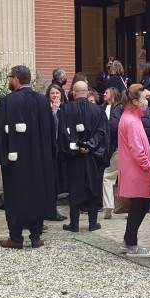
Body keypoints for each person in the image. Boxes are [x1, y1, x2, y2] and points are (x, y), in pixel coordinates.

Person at [0, 66, 57, 248]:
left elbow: (0, 131)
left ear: (16, 79)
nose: (9, 80)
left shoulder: (8, 101)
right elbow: (51, 130)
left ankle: (16, 238)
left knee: (15, 195)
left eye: (10, 77)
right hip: (40, 159)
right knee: (37, 193)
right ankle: (36, 236)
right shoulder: (43, 101)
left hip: (16, 161)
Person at [58, 81, 109, 231]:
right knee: (92, 187)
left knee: (75, 188)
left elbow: (63, 133)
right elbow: (102, 133)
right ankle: (93, 223)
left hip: (74, 158)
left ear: (73, 93)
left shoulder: (66, 110)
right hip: (93, 157)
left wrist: (77, 146)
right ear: (87, 93)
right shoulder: (98, 111)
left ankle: (74, 224)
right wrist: (90, 145)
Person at [117, 84, 150, 257]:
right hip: (137, 172)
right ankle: (131, 243)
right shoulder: (131, 121)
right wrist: (149, 169)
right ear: (134, 101)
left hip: (135, 171)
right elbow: (137, 150)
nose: (146, 102)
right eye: (144, 99)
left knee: (140, 205)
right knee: (140, 205)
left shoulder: (131, 117)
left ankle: (129, 240)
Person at [45, 83, 69, 221]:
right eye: (52, 93)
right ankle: (50, 211)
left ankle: (53, 210)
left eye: (57, 93)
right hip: (50, 150)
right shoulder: (46, 109)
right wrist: (53, 112)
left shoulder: (65, 109)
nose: (55, 96)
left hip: (61, 150)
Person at [101, 87, 124, 220]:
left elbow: (113, 127)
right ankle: (110, 206)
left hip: (117, 147)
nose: (104, 94)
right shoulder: (103, 108)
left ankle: (113, 205)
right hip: (113, 147)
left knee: (108, 176)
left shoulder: (119, 109)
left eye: (106, 92)